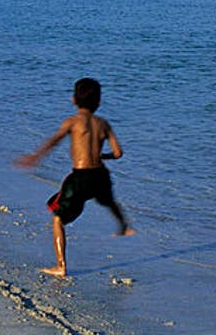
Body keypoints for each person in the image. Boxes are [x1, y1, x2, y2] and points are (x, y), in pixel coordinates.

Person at [15, 78, 134, 277]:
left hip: (80, 177)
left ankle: (60, 266)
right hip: (100, 175)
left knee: (57, 217)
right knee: (108, 200)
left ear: (73, 100)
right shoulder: (103, 123)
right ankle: (124, 225)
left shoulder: (72, 122)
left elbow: (54, 141)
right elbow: (118, 153)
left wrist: (34, 157)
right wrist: (101, 156)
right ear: (98, 102)